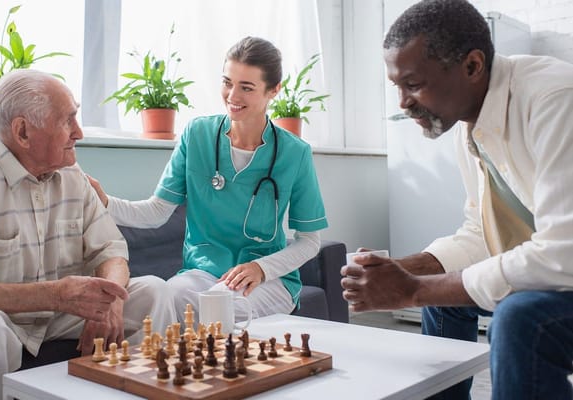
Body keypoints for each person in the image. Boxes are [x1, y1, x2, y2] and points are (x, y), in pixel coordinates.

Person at [0, 69, 176, 400]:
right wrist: (55, 295)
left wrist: (110, 298)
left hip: (56, 318)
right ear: (23, 131)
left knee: (154, 293)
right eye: (67, 121)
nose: (79, 133)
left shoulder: (72, 176)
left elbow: (111, 250)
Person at [340, 1, 573, 399]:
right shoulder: (472, 127)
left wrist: (413, 290)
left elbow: (563, 255)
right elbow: (480, 234)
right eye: (397, 86)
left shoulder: (553, 100)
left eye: (413, 84)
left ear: (472, 66)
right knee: (444, 297)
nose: (402, 101)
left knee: (520, 321)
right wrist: (405, 270)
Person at [90, 36, 328, 325]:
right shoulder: (197, 135)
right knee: (166, 297)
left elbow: (310, 241)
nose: (232, 95)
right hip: (201, 273)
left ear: (273, 90)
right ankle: (157, 370)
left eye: (246, 87)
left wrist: (260, 268)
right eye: (227, 82)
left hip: (268, 279)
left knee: (218, 306)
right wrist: (104, 201)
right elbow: (156, 212)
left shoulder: (294, 153)